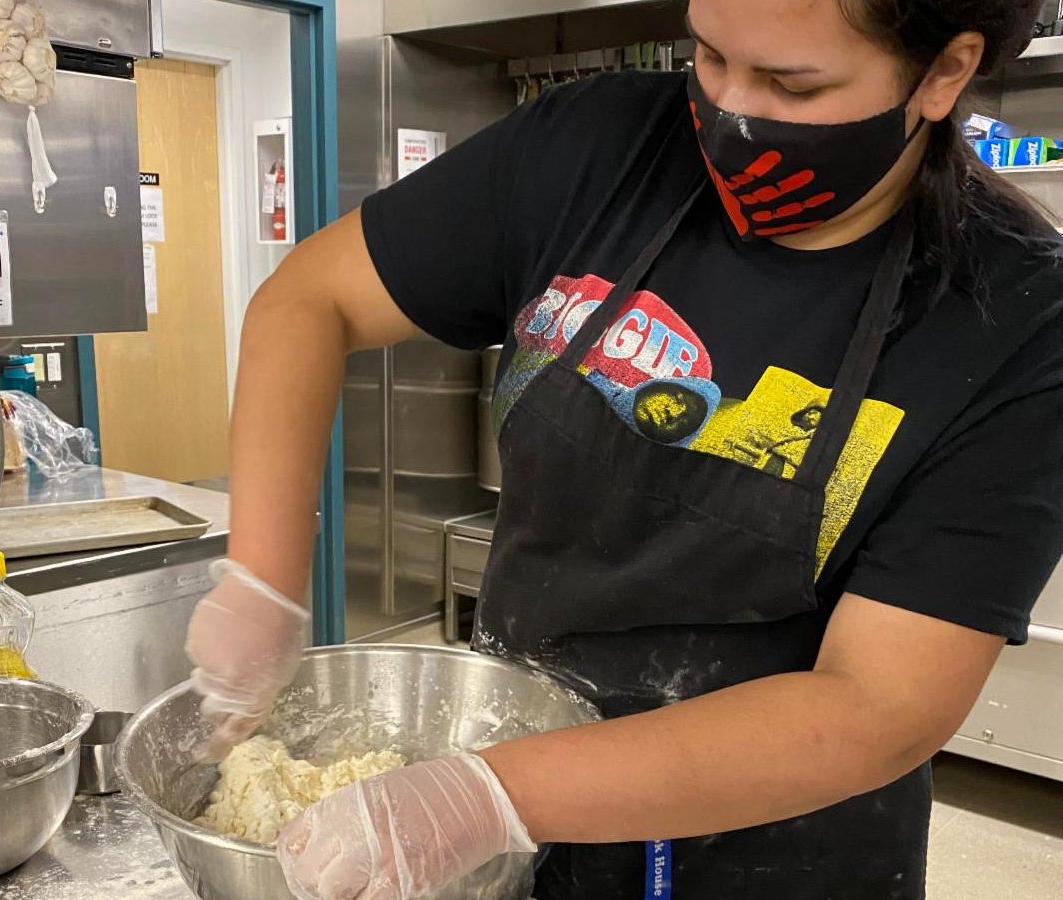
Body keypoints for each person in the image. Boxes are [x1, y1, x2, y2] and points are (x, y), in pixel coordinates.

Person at [184, 1, 1063, 898]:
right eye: (710, 55)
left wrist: (485, 794)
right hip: (516, 834)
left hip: (775, 854)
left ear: (945, 72)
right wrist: (263, 577)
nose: (729, 111)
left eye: (791, 83)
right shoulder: (594, 149)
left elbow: (877, 706)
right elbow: (306, 300)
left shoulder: (1021, 322)